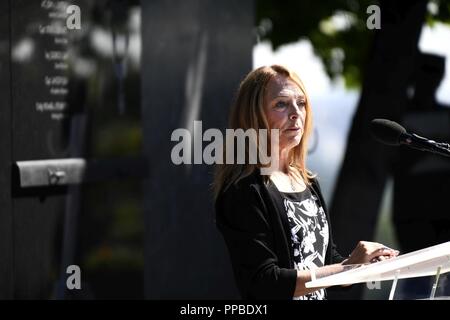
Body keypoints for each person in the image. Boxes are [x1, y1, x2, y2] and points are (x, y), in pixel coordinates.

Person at [213, 65, 399, 300]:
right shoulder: (243, 191)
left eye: (301, 103)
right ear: (254, 116)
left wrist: (364, 264)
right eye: (281, 104)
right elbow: (264, 282)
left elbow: (324, 260)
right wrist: (348, 268)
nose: (296, 113)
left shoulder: (307, 181)